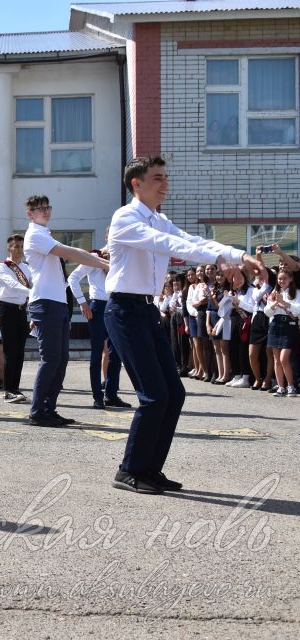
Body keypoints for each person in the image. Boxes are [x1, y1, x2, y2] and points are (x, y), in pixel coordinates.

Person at [105, 155, 262, 494]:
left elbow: (194, 241)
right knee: (153, 395)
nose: (165, 183)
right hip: (124, 311)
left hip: (146, 311)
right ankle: (129, 470)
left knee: (173, 394)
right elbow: (170, 245)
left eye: (165, 177)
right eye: (158, 178)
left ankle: (149, 469)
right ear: (137, 183)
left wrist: (237, 256)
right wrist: (218, 259)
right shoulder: (126, 218)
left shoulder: (160, 219)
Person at [23, 195, 109, 427]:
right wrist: (102, 264)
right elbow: (70, 253)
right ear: (30, 213)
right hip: (45, 302)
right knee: (50, 358)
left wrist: (100, 261)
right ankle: (37, 410)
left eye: (47, 207)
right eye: (40, 209)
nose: (45, 211)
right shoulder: (35, 235)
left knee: (61, 359)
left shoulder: (45, 233)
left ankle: (49, 408)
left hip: (58, 301)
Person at [67, 246, 130, 410]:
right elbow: (73, 278)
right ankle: (97, 396)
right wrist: (82, 302)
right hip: (99, 306)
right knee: (96, 353)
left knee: (115, 353)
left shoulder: (120, 256)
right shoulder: (95, 257)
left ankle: (111, 394)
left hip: (116, 305)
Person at [0, 235, 32, 404]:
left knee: (19, 352)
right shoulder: (2, 267)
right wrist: (32, 292)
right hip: (7, 310)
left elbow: (34, 285)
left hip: (21, 311)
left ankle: (15, 388)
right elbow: (12, 284)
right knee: (10, 351)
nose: (19, 249)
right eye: (16, 246)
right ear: (9, 248)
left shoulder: (27, 267)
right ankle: (8, 389)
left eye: (22, 246)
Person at [264, 269, 299, 397]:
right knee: (276, 359)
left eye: (284, 278)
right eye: (279, 279)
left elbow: (297, 311)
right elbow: (267, 312)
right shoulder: (274, 293)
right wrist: (274, 304)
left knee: (284, 358)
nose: (281, 281)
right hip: (275, 325)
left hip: (289, 326)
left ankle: (291, 386)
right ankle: (281, 387)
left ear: (290, 279)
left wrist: (284, 303)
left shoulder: (296, 293)